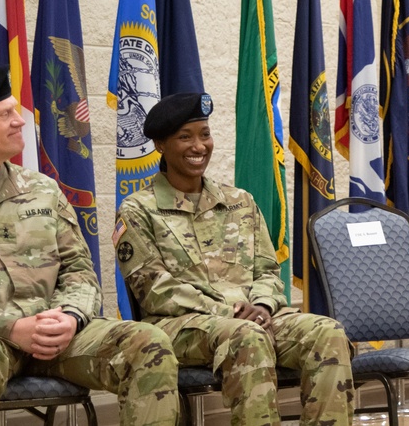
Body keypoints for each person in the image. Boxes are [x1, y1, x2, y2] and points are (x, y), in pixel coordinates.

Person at [0, 67, 180, 426]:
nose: (20, 121)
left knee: (148, 342)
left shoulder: (43, 190)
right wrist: (11, 326)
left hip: (52, 333)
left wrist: (69, 316)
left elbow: (80, 270)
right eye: (5, 114)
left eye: (16, 110)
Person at [115, 93, 354, 426]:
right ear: (160, 144)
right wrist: (231, 312)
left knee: (327, 332)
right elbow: (156, 291)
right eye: (185, 137)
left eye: (205, 134)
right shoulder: (138, 210)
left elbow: (269, 271)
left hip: (255, 317)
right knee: (247, 335)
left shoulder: (239, 201)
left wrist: (264, 306)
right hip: (181, 326)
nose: (199, 146)